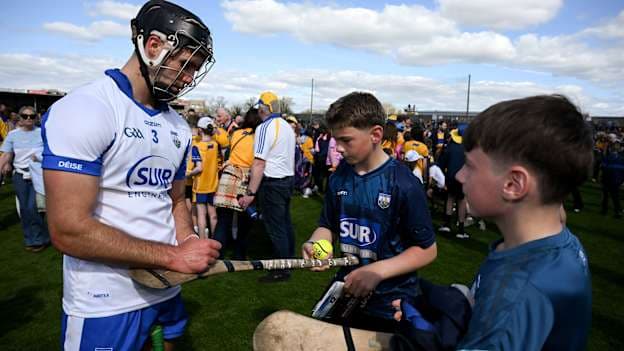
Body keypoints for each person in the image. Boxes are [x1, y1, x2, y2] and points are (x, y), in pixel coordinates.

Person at [41, 1, 221, 348]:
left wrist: (187, 241)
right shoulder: (87, 108)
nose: (189, 79)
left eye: (194, 70)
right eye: (185, 65)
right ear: (153, 46)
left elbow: (176, 199)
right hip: (104, 301)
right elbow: (67, 230)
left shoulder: (178, 126)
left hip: (166, 287)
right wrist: (173, 256)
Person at [401, 95, 592, 350]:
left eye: (470, 165)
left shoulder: (515, 295)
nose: (459, 175)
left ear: (513, 184)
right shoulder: (556, 243)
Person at [301, 92, 437, 332]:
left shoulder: (403, 184)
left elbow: (427, 250)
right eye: (336, 140)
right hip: (345, 293)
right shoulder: (339, 176)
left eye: (346, 140)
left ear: (376, 134)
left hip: (390, 304)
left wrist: (377, 270)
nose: (338, 149)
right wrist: (317, 244)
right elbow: (328, 225)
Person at [238, 91, 296, 283]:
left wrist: (250, 192)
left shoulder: (265, 127)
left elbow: (259, 163)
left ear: (263, 109)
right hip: (287, 180)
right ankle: (290, 260)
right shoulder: (287, 126)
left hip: (273, 182)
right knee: (285, 223)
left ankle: (281, 269)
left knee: (276, 227)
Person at [213, 108, 262, 259]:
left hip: (229, 175)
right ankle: (239, 254)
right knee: (244, 221)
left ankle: (216, 254)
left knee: (223, 220)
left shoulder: (237, 133)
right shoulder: (259, 137)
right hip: (246, 176)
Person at [0, 106, 50, 252]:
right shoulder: (13, 135)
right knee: (24, 209)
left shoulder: (42, 133)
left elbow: (50, 151)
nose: (28, 119)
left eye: (32, 116)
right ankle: (32, 239)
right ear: (19, 118)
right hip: (20, 175)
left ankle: (39, 238)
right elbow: (6, 155)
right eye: (25, 116)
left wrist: (39, 157)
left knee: (33, 207)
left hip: (38, 175)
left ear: (36, 118)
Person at [437, 125, 468, 239]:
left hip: (450, 176)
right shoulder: (469, 149)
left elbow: (442, 162)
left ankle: (447, 224)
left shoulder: (450, 147)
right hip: (464, 178)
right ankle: (461, 229)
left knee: (450, 198)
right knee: (462, 201)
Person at [193, 116, 221, 237]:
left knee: (201, 215)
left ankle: (202, 242)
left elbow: (197, 168)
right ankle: (215, 241)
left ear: (200, 129)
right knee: (213, 214)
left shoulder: (196, 146)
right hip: (214, 185)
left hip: (200, 185)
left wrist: (188, 173)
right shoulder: (215, 145)